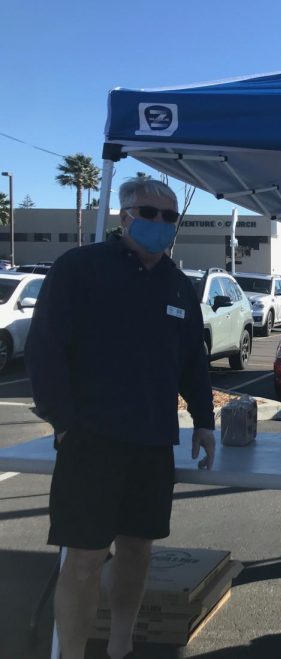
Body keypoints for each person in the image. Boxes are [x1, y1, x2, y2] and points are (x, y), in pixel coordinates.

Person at [25, 176, 215, 659]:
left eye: (169, 217)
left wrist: (204, 420)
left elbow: (193, 358)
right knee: (85, 560)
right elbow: (45, 351)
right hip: (91, 440)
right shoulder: (80, 269)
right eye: (148, 214)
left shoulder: (178, 284)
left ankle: (121, 647)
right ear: (123, 215)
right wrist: (63, 422)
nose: (159, 224)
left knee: (136, 552)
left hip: (152, 442)